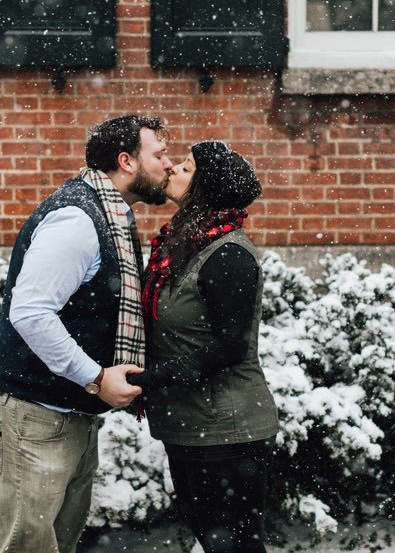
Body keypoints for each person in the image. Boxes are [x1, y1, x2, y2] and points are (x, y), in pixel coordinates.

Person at [0, 115, 174, 553]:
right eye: (159, 155)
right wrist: (96, 377)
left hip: (67, 411)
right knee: (24, 547)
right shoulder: (78, 220)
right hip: (31, 413)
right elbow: (29, 312)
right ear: (126, 162)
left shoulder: (109, 213)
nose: (168, 165)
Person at [129, 141, 280, 553]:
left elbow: (231, 347)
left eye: (187, 167)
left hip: (225, 432)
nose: (174, 168)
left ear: (205, 188)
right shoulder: (183, 243)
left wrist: (149, 380)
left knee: (234, 547)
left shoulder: (227, 254)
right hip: (190, 425)